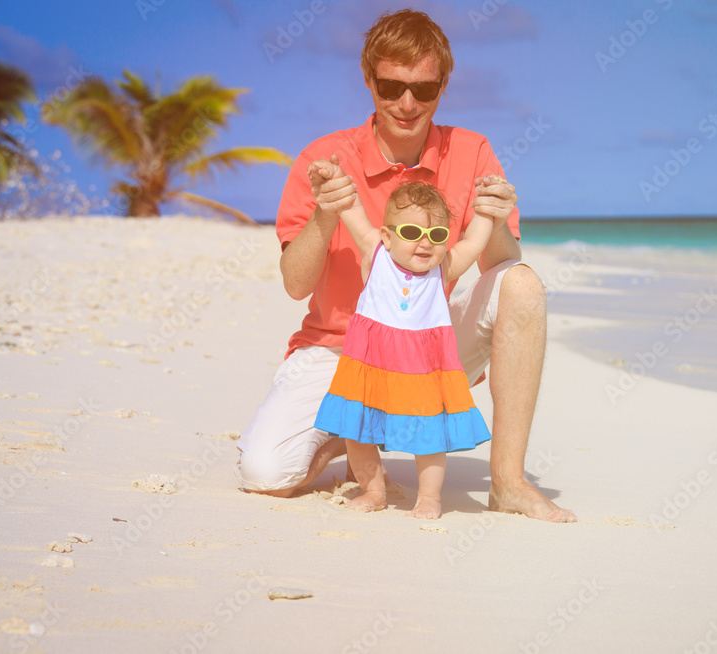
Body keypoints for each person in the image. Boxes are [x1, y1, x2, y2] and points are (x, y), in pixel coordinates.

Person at [235, 8, 576, 523]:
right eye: (392, 86)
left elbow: (501, 267)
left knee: (523, 285)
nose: (408, 103)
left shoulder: (472, 151)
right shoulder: (325, 155)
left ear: (444, 85)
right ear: (369, 79)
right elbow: (295, 284)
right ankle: (339, 438)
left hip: (429, 341)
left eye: (425, 89)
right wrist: (328, 213)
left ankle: (507, 481)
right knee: (266, 476)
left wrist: (496, 218)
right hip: (337, 351)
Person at [310, 167, 494, 519]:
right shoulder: (377, 254)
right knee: (358, 432)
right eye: (412, 232)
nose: (425, 242)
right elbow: (351, 208)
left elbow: (473, 242)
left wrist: (485, 209)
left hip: (422, 368)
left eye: (436, 234)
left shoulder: (444, 267)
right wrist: (334, 178)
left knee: (429, 436)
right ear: (388, 237)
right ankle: (374, 489)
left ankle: (429, 498)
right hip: (369, 361)